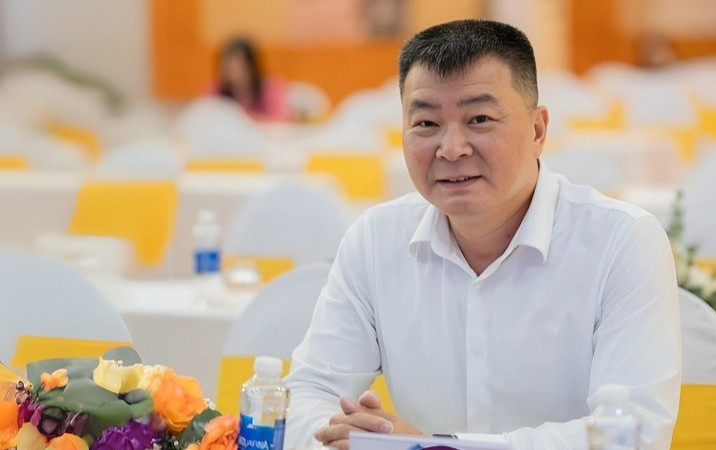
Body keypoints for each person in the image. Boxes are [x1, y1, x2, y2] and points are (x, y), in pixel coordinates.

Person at [285, 20, 681, 449]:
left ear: (537, 130)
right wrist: (361, 439)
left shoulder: (622, 242)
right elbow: (308, 395)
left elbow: (630, 432)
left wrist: (433, 448)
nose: (451, 148)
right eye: (426, 123)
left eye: (479, 119)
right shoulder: (375, 240)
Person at [206, 37, 292, 122]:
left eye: (237, 67)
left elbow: (280, 122)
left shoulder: (269, 90)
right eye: (227, 67)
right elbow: (205, 115)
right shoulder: (216, 89)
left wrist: (244, 118)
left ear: (251, 67)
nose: (232, 73)